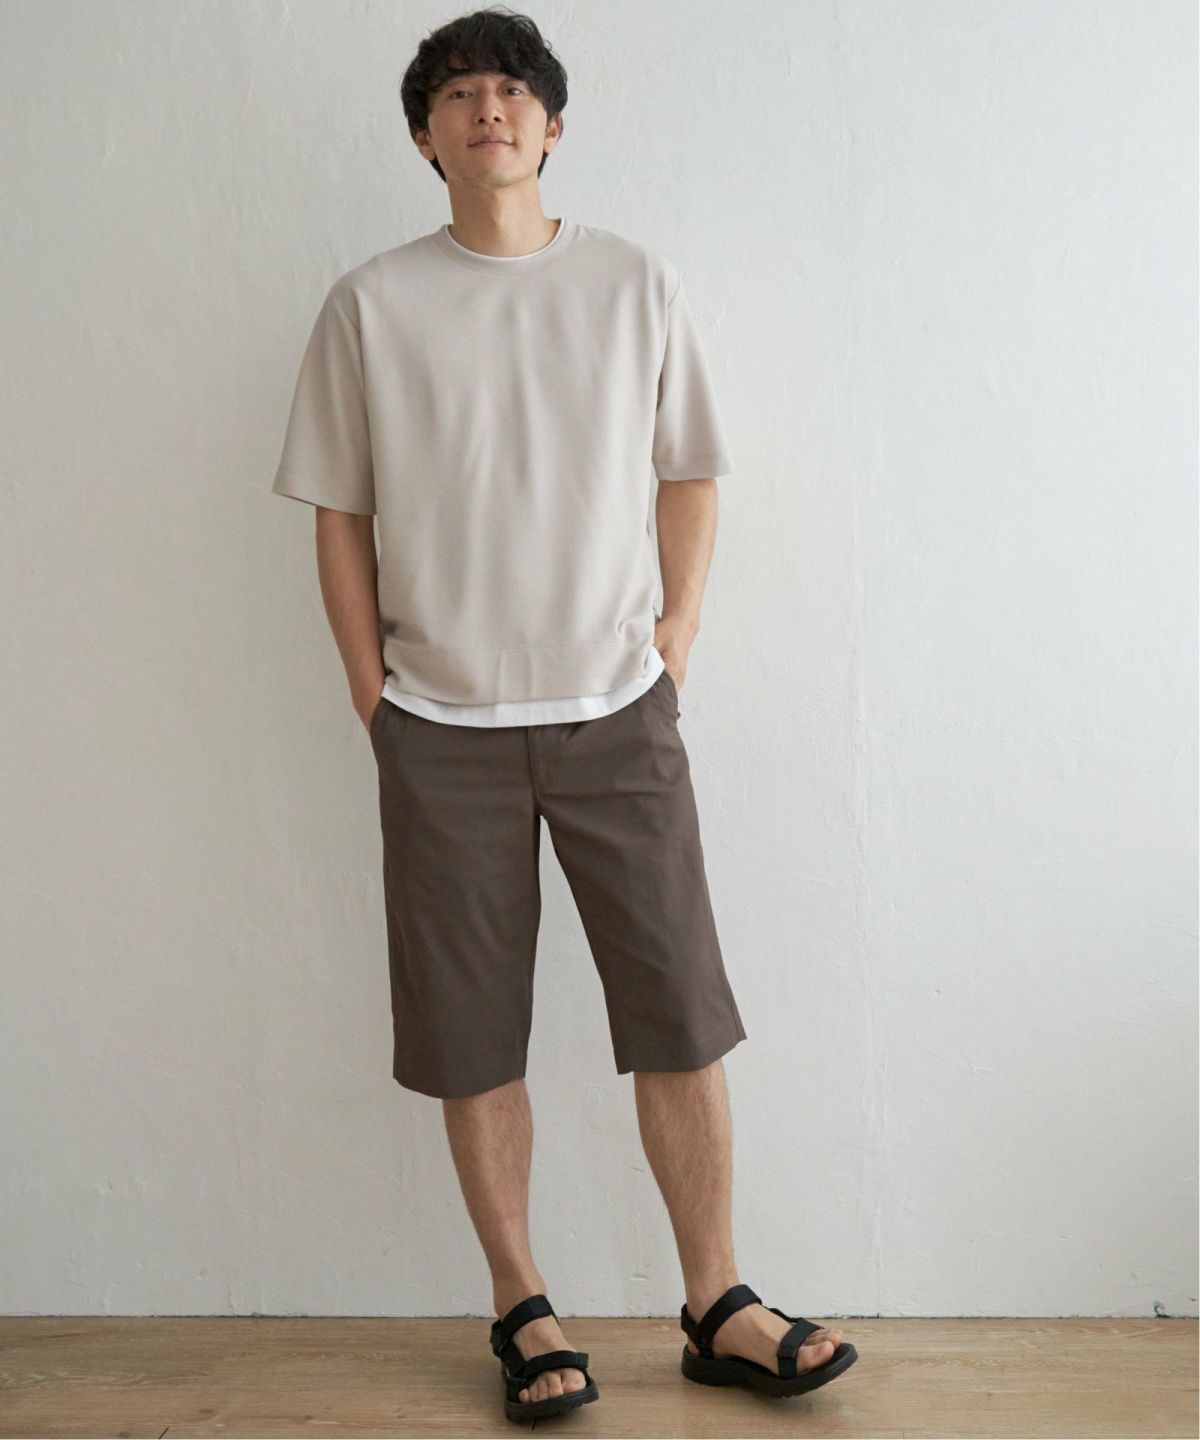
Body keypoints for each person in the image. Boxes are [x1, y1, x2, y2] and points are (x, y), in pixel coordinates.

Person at [271, 6, 856, 1421]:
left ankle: (717, 1301)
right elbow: (338, 512)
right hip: (439, 723)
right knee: (473, 1031)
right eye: (458, 93)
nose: (489, 107)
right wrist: (371, 695)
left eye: (512, 89)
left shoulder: (633, 283)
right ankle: (523, 1306)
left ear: (552, 127)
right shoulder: (370, 304)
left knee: (679, 1009)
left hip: (617, 711)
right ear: (426, 137)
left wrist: (678, 633)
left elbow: (689, 469)